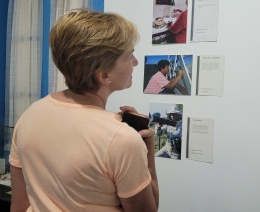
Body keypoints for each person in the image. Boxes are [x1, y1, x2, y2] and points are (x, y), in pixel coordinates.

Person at [9, 9, 159, 212]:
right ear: (104, 75)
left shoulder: (30, 114)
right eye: (129, 56)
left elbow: (19, 205)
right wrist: (148, 148)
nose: (135, 62)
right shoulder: (121, 139)